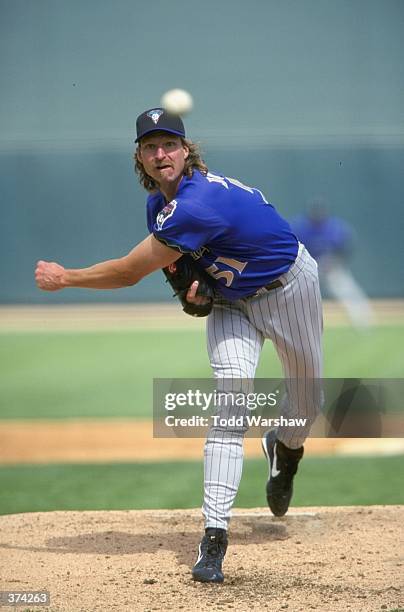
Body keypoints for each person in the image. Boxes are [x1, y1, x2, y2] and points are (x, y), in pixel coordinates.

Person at [35, 107, 323, 584]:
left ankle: (285, 450)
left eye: (169, 144)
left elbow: (129, 272)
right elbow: (193, 282)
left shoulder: (196, 203)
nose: (160, 153)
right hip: (235, 305)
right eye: (150, 146)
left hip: (288, 289)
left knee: (307, 404)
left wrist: (67, 278)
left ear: (187, 152)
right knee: (231, 405)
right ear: (140, 158)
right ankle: (214, 538)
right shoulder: (160, 208)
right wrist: (197, 295)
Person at [291, 201, 374, 327]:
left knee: (347, 291)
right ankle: (295, 323)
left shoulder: (334, 228)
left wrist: (336, 261)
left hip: (330, 267)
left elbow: (346, 248)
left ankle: (363, 321)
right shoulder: (301, 228)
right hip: (308, 267)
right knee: (296, 294)